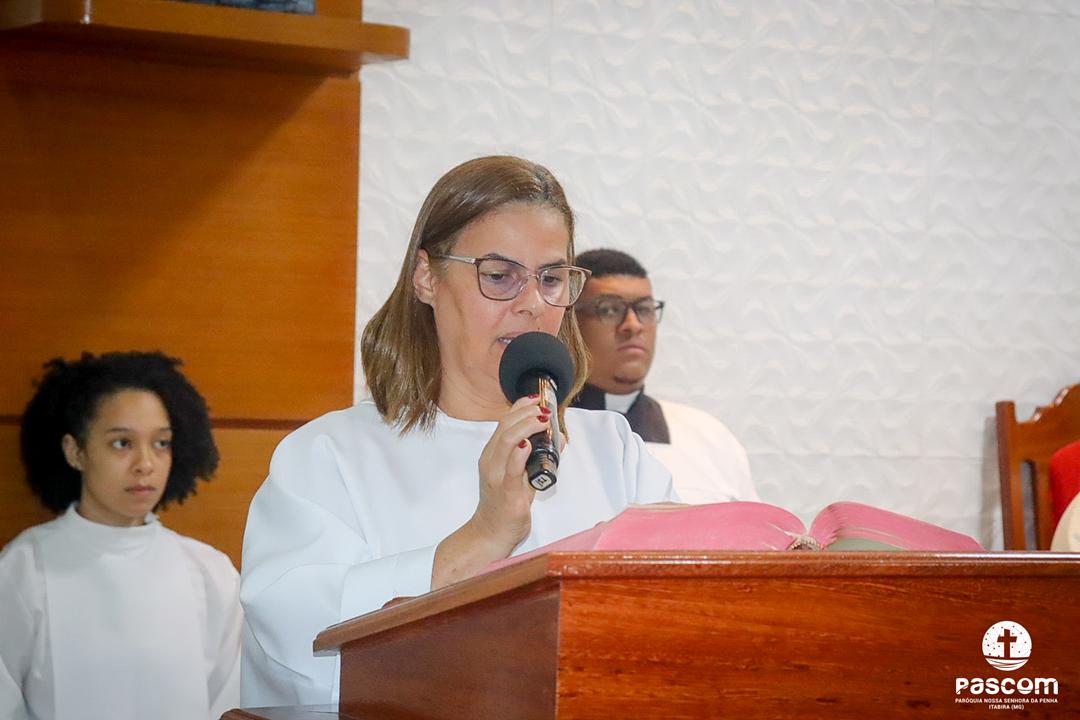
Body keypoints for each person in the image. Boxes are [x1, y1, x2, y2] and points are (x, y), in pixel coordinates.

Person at [240, 156, 676, 706]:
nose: (532, 304)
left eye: (551, 279)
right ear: (427, 277)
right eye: (499, 276)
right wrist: (482, 538)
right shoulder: (328, 457)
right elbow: (297, 642)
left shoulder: (615, 451)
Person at [0, 351, 242, 720]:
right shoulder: (23, 569)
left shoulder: (211, 572)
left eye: (161, 443)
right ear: (75, 451)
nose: (145, 464)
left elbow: (232, 703)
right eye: (122, 443)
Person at [571, 248, 757, 504]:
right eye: (610, 309)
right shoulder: (540, 440)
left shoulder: (711, 440)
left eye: (644, 309)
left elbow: (756, 528)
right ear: (570, 324)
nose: (633, 325)